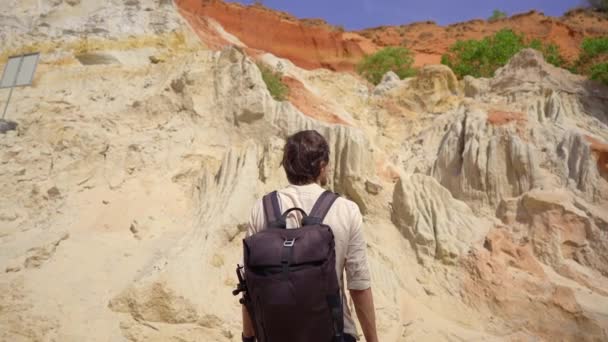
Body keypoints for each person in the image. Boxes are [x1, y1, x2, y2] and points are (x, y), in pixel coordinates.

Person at [242, 130, 379, 342]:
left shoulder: (262, 208)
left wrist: (248, 337)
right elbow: (358, 286)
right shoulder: (346, 210)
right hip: (334, 335)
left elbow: (250, 286)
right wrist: (373, 340)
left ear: (287, 166)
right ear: (322, 166)